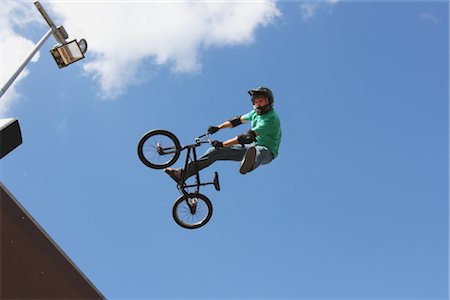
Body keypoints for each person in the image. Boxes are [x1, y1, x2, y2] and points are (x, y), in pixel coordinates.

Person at [165, 86, 282, 183]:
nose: (258, 104)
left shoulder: (271, 119)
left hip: (267, 152)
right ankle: (182, 174)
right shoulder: (255, 113)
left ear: (268, 102)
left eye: (260, 101)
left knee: (258, 151)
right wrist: (218, 128)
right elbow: (235, 121)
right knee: (214, 152)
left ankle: (250, 164)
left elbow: (246, 137)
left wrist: (223, 144)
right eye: (255, 102)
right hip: (251, 148)